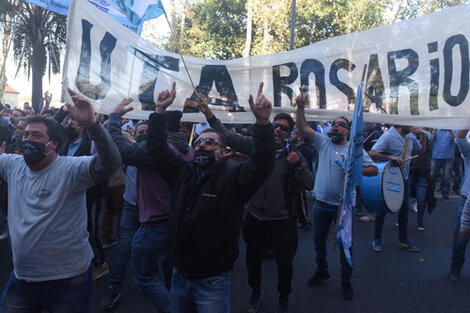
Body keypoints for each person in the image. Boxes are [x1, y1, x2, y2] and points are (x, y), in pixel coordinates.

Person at [145, 82, 275, 313]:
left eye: (210, 142)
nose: (203, 144)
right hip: (179, 274)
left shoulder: (234, 177)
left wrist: (263, 124)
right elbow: (156, 149)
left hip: (212, 280)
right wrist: (159, 112)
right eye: (199, 142)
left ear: (223, 152)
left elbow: (262, 165)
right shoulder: (181, 172)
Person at [0, 88, 121, 312]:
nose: (28, 139)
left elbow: (111, 162)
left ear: (53, 144)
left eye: (37, 136)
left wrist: (93, 125)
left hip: (67, 281)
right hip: (22, 278)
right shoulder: (12, 165)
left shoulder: (70, 169)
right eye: (26, 134)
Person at [198, 84, 314, 313]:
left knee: (285, 265)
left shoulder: (294, 155)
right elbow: (227, 135)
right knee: (252, 261)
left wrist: (298, 164)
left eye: (283, 128)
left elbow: (309, 183)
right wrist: (208, 114)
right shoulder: (255, 148)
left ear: (289, 133)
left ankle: (283, 296)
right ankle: (255, 293)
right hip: (255, 218)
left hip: (283, 221)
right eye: (275, 125)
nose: (278, 130)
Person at [105, 95, 194, 312]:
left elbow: (120, 151)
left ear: (159, 129)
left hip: (154, 222)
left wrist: (114, 117)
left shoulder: (157, 151)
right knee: (170, 271)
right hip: (175, 221)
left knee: (145, 277)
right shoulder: (187, 149)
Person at [295, 88, 378, 301]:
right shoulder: (322, 142)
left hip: (344, 208)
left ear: (348, 131)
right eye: (334, 123)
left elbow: (374, 170)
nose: (335, 126)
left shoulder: (355, 150)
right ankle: (322, 270)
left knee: (345, 246)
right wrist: (301, 106)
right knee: (318, 242)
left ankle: (346, 281)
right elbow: (302, 127)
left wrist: (353, 168)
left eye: (340, 124)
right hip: (321, 204)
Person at [100, 124, 146, 309]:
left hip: (153, 212)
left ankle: (163, 286)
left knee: (156, 251)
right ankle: (114, 288)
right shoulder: (130, 151)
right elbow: (115, 145)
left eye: (146, 132)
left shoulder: (159, 153)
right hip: (131, 207)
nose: (143, 134)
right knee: (122, 249)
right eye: (139, 132)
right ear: (134, 135)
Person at [369, 125, 425, 253]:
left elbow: (420, 149)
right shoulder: (389, 136)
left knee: (404, 209)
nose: (412, 126)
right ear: (400, 123)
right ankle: (377, 239)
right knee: (383, 208)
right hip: (389, 178)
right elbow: (373, 152)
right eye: (409, 123)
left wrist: (421, 134)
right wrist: (391, 158)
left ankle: (403, 241)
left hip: (404, 178)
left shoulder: (410, 136)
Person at [449, 129, 470, 281]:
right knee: (460, 240)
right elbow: (460, 138)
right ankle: (455, 270)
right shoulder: (469, 153)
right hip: (466, 201)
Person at [429, 129, 457, 200]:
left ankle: (445, 194)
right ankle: (430, 194)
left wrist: (450, 131)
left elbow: (456, 140)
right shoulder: (437, 129)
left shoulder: (454, 129)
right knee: (432, 176)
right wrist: (434, 129)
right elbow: (430, 140)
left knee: (447, 177)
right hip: (436, 155)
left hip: (448, 156)